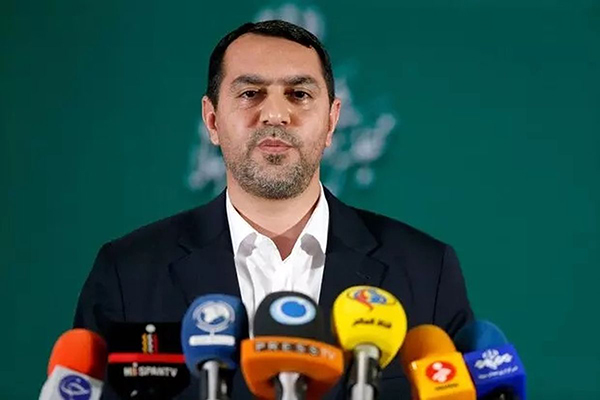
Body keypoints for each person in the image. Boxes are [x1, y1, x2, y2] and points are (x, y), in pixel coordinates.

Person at [74, 20, 473, 399]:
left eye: (299, 94)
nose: (275, 114)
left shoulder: (426, 271)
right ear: (211, 120)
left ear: (332, 121)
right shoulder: (128, 273)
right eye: (251, 93)